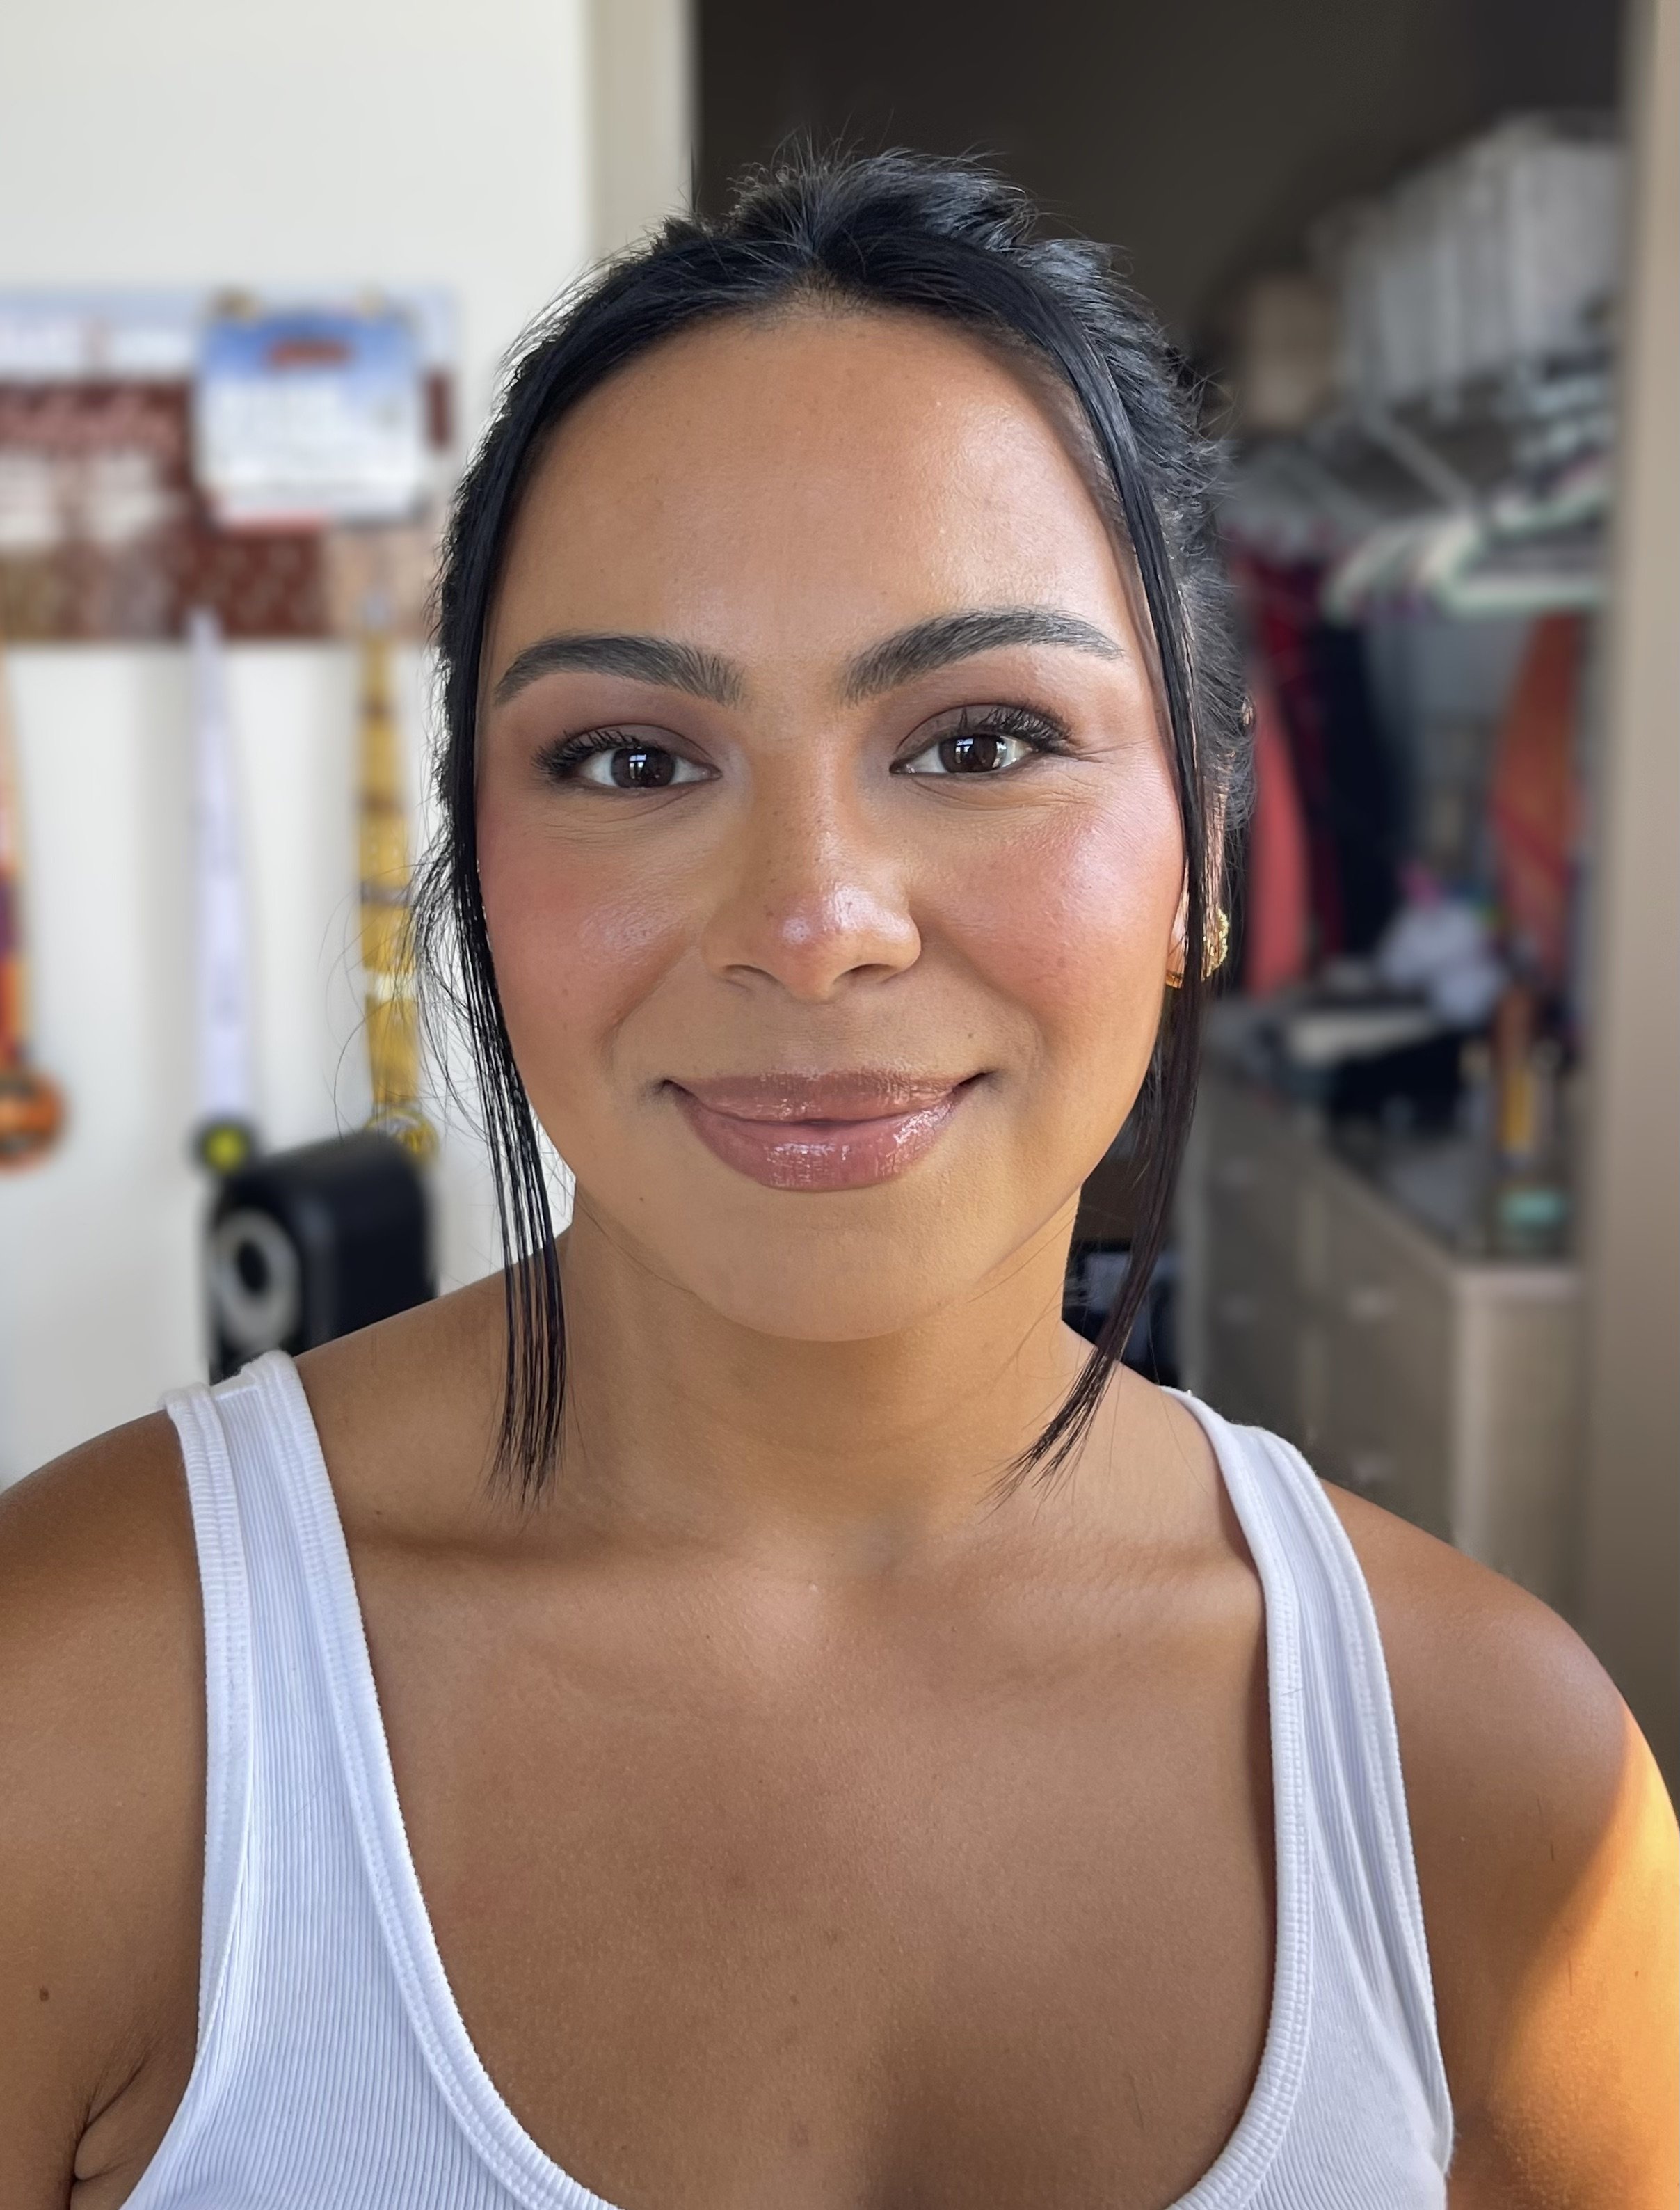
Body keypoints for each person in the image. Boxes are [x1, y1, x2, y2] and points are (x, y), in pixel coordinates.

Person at [1, 152, 1674, 2210]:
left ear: (1206, 851)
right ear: (476, 878)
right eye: (633, 759)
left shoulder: (1494, 1779)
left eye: (980, 742)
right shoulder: (74, 1716)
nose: (813, 928)